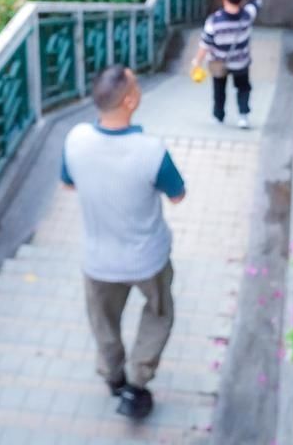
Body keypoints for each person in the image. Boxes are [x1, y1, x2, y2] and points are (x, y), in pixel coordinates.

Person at [61, 64, 185, 420]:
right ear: (130, 100)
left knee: (103, 320)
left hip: (98, 259)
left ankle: (113, 376)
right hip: (148, 259)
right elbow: (177, 195)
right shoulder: (151, 150)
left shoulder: (76, 140)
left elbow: (69, 184)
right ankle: (138, 380)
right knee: (158, 313)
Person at [193, 0, 262, 129]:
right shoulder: (247, 15)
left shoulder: (214, 20)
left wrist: (197, 62)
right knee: (243, 88)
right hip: (241, 62)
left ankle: (219, 116)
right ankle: (243, 116)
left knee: (219, 89)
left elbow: (205, 44)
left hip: (219, 63)